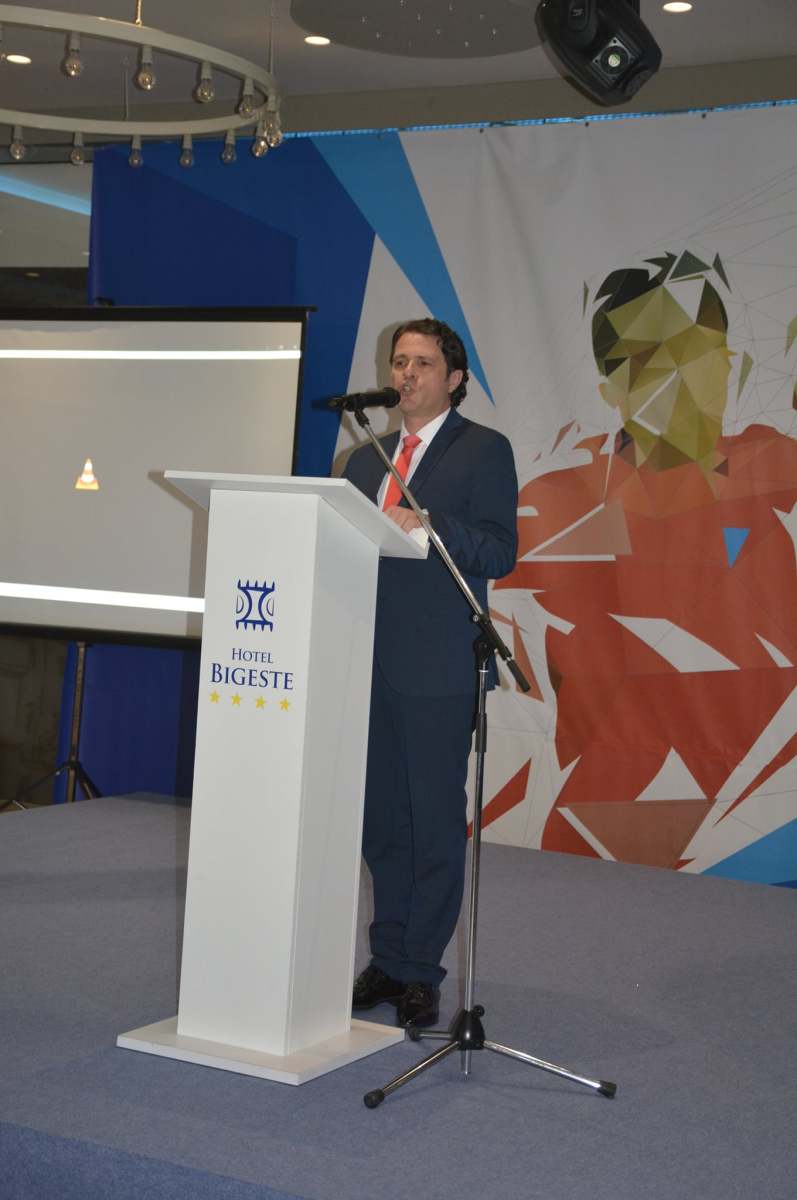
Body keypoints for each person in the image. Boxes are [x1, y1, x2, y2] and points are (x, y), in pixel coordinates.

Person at [495, 256, 797, 869]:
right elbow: (513, 692)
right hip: (599, 834)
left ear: (728, 362)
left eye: (699, 350)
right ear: (611, 390)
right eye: (652, 360)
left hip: (766, 831)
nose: (682, 378)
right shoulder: (551, 508)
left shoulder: (778, 471)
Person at [342, 318, 518, 1026]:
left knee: (433, 823)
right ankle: (387, 957)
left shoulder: (483, 450)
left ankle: (420, 968)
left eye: (421, 362)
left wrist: (432, 523)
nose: (406, 373)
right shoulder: (363, 462)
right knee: (381, 822)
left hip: (439, 665)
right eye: (398, 361)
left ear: (454, 378)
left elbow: (499, 551)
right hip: (365, 663)